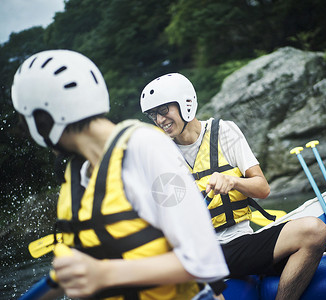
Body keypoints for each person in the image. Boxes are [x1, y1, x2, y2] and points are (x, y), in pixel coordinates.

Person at [11, 50, 229, 299]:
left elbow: (205, 260)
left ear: (42, 121)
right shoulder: (78, 174)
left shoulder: (144, 147)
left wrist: (102, 274)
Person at [139, 73, 326, 300]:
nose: (160, 120)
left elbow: (262, 189)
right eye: (153, 115)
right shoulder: (160, 155)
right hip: (203, 252)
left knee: (314, 230)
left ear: (185, 103)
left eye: (163, 110)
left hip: (241, 244)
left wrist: (233, 181)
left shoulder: (225, 132)